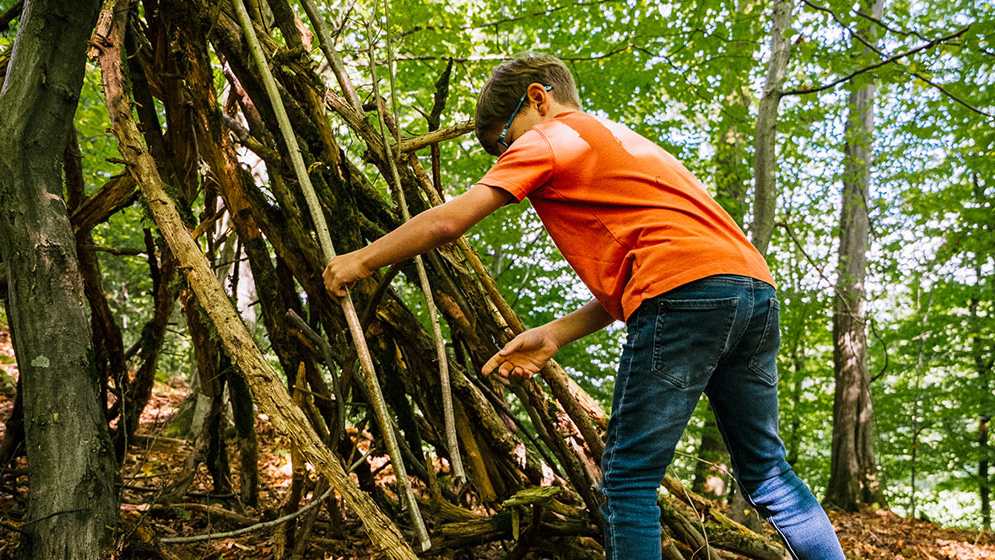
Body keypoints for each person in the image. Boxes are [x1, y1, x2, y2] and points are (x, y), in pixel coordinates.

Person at [323, 53, 845, 560]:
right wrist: (556, 333)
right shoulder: (626, 144)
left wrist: (362, 261)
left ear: (538, 99)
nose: (504, 159)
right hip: (752, 291)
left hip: (685, 295)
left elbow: (446, 223)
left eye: (503, 144)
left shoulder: (554, 135)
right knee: (769, 474)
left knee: (628, 478)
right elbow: (662, 267)